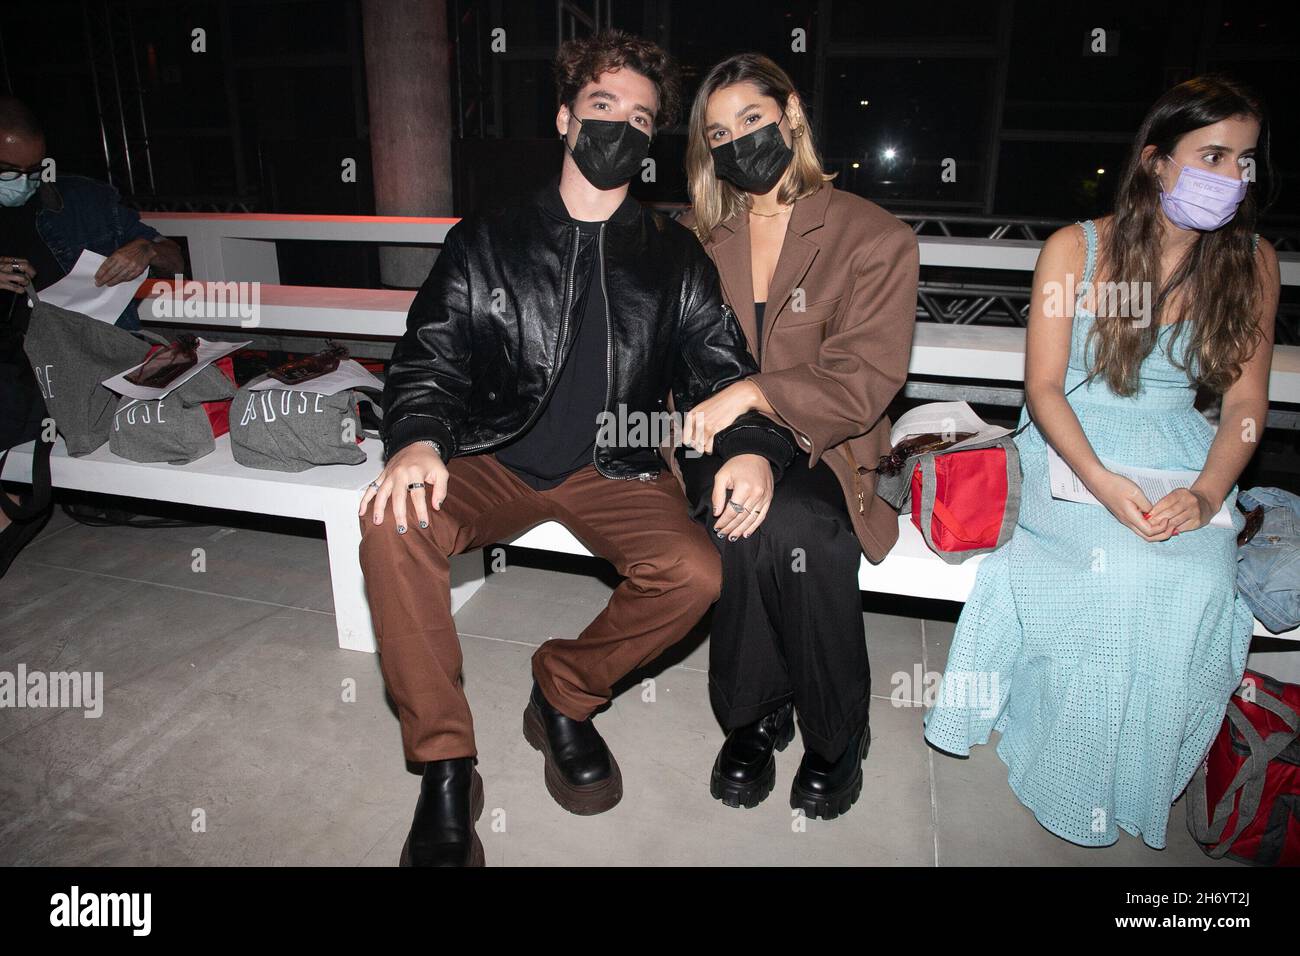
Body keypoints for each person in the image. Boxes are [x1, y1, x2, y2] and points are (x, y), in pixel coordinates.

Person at [357, 31, 795, 867]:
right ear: (564, 119)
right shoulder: (489, 235)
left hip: (615, 461)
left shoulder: (673, 255)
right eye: (603, 108)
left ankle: (562, 693)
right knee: (392, 524)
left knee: (696, 573)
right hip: (491, 451)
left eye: (641, 118)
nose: (621, 129)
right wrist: (415, 439)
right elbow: (429, 356)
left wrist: (749, 445)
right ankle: (446, 766)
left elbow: (723, 369)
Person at [923, 74, 1279, 849]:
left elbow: (1246, 409)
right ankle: (1066, 757)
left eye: (1243, 161)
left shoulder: (1249, 263)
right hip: (1071, 443)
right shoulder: (1076, 249)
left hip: (1183, 447)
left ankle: (1138, 770)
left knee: (1197, 578)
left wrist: (1209, 490)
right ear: (1157, 162)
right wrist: (1102, 482)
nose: (1231, 177)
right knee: (1116, 573)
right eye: (1211, 155)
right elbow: (1044, 390)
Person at [675, 54, 918, 819]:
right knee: (744, 510)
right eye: (719, 131)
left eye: (752, 119)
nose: (738, 139)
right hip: (711, 435)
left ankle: (831, 730)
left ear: (792, 118)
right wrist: (730, 429)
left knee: (795, 521)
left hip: (827, 442)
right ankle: (758, 715)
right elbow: (672, 360)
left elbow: (863, 380)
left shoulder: (872, 236)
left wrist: (756, 392)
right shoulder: (695, 236)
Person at [0, 95, 184, 540]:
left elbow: (173, 258)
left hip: (83, 357)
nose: (24, 182)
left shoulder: (84, 198)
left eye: (34, 169)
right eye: (9, 171)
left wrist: (146, 250)